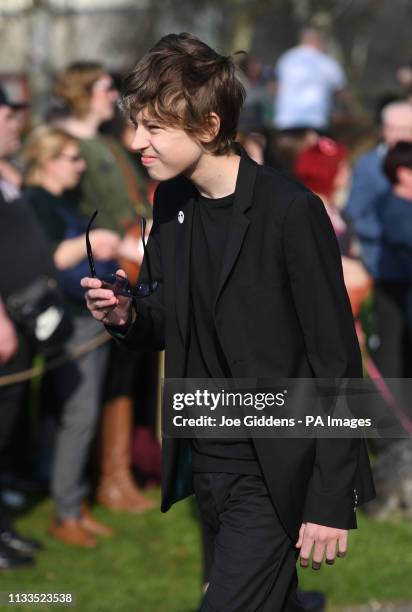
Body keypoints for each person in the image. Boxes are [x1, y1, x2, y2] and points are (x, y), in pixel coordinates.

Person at [81, 33, 375, 611]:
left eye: (154, 128)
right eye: (136, 124)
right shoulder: (170, 203)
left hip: (275, 466)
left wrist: (330, 498)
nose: (138, 142)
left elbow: (337, 359)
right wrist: (126, 312)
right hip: (206, 458)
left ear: (210, 126)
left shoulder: (291, 212)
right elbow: (167, 322)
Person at [53, 62, 156, 514]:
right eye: (102, 87)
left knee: (126, 371)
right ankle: (107, 478)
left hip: (135, 252)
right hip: (109, 261)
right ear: (80, 92)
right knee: (105, 377)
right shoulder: (69, 144)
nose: (110, 94)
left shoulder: (111, 142)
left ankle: (120, 470)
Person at [22, 125, 118, 547]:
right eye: (72, 159)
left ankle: (74, 502)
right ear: (47, 160)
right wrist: (91, 241)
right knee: (78, 415)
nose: (81, 167)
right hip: (66, 317)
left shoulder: (64, 201)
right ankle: (66, 511)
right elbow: (48, 259)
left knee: (78, 412)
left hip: (84, 313)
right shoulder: (35, 203)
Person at [0, 86, 46, 568]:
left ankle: (3, 529)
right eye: (8, 115)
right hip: (3, 327)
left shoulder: (7, 175)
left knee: (8, 433)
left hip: (22, 321)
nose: (17, 123)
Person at [273, 27, 347, 131]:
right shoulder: (327, 62)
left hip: (286, 120)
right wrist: (339, 111)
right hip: (315, 120)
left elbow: (275, 87)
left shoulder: (286, 58)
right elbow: (340, 91)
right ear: (318, 41)